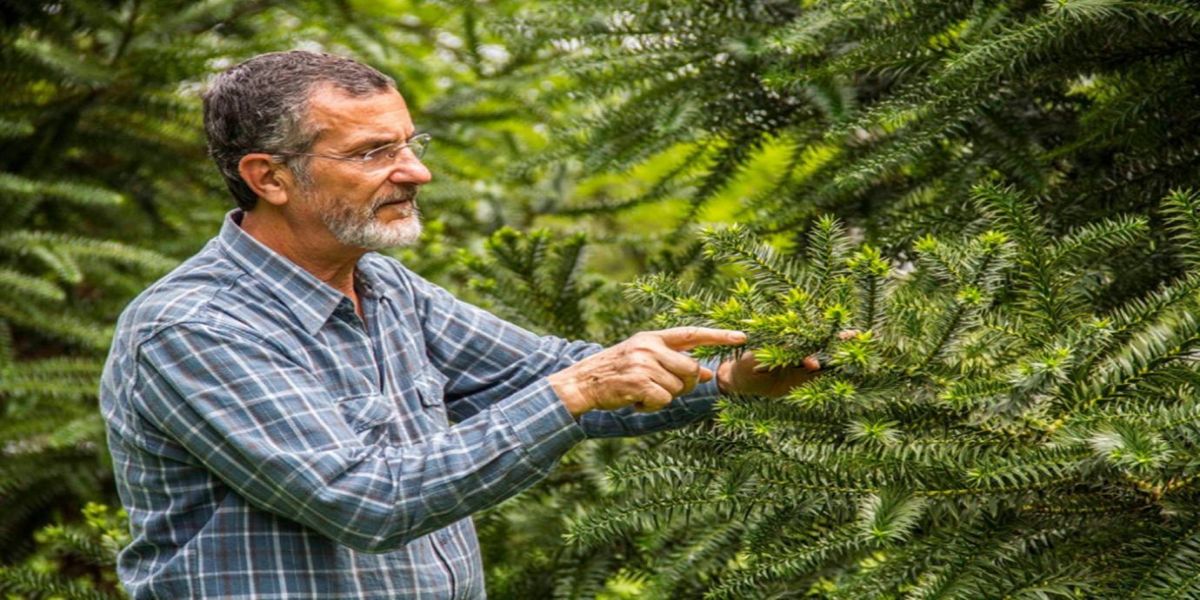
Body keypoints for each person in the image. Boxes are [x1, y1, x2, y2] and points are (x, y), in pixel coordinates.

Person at [99, 50, 821, 599]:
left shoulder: (386, 288)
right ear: (269, 177)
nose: (415, 172)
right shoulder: (195, 326)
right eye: (373, 153)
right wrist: (575, 392)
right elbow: (364, 500)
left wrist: (730, 380)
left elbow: (545, 373)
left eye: (410, 144)